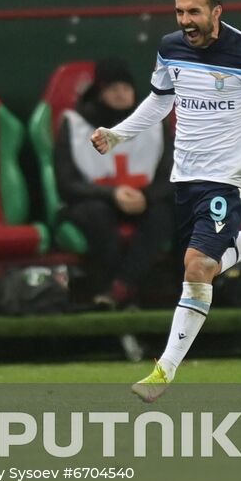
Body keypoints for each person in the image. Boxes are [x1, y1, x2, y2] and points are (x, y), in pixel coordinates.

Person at [89, 0, 241, 402]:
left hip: (229, 178)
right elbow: (160, 100)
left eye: (194, 12)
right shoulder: (170, 48)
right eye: (179, 12)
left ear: (216, 12)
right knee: (208, 264)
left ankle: (163, 372)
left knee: (196, 267)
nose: (186, 21)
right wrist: (118, 134)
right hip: (185, 177)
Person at [55, 58, 174, 308]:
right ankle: (111, 288)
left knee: (165, 213)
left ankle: (121, 288)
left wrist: (147, 197)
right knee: (96, 215)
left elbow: (171, 175)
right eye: (113, 89)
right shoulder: (75, 125)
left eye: (126, 88)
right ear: (100, 93)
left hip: (143, 202)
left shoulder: (154, 123)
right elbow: (67, 184)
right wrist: (112, 194)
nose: (121, 94)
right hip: (94, 202)